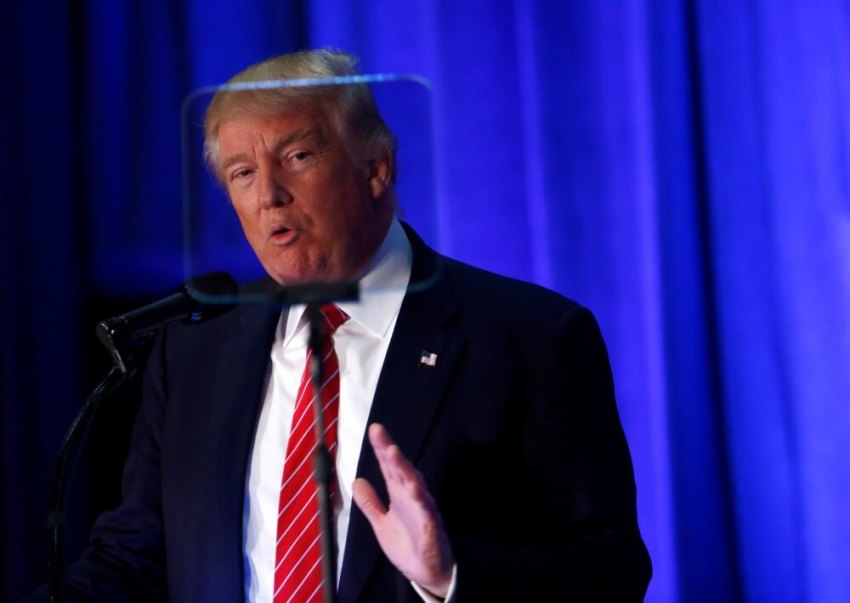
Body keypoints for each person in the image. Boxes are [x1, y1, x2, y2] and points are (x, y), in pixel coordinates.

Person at [36, 49, 651, 601]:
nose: (269, 194)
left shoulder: (529, 337)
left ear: (376, 168)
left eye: (297, 156)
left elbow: (607, 569)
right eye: (242, 173)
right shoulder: (193, 349)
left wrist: (450, 576)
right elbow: (132, 562)